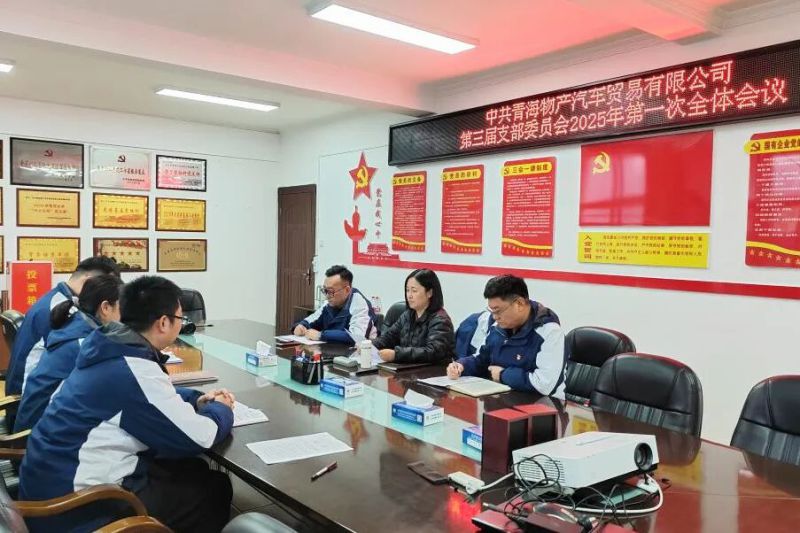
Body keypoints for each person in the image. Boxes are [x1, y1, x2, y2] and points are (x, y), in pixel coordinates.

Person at [19, 276, 235, 533]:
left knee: (191, 468)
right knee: (213, 488)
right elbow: (199, 436)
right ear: (163, 323)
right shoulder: (133, 369)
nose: (181, 323)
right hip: (76, 508)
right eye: (181, 318)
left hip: (48, 484)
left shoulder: (106, 347)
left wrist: (194, 399)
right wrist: (221, 409)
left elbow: (144, 395)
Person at [15, 274, 123, 433]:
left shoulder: (75, 325)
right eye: (123, 308)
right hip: (41, 435)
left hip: (35, 426)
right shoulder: (85, 344)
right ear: (105, 308)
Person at [7, 256, 120, 397]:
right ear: (88, 282)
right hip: (28, 396)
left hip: (30, 390)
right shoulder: (61, 309)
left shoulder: (59, 300)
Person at [447, 275, 567, 399]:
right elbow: (481, 359)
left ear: (519, 304)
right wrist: (461, 366)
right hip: (501, 398)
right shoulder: (497, 326)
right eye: (492, 311)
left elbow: (544, 384)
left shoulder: (549, 331)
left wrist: (503, 375)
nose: (495, 317)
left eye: (498, 311)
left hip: (542, 404)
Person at [373, 269, 455, 364]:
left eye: (414, 291)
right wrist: (369, 345)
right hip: (408, 368)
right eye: (407, 290)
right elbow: (388, 337)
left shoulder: (440, 320)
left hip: (432, 370)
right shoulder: (407, 315)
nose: (409, 295)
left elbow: (432, 352)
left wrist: (396, 354)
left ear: (429, 293)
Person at [293, 265, 376, 345]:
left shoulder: (360, 304)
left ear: (347, 290)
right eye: (325, 290)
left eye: (330, 291)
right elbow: (313, 319)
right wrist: (301, 326)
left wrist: (321, 335)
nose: (327, 296)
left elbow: (357, 337)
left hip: (359, 352)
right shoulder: (329, 302)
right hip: (331, 349)